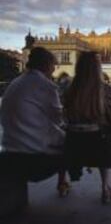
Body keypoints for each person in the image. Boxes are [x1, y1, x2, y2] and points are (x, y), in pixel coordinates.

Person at [0, 47, 69, 195]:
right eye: (53, 65)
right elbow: (59, 120)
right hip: (35, 158)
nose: (53, 69)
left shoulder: (15, 83)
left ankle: (63, 183)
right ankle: (62, 182)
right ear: (46, 65)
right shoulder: (46, 86)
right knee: (72, 143)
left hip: (9, 150)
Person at [63, 51, 111, 204]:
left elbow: (64, 118)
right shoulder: (105, 90)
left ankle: (62, 181)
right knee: (110, 136)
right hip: (98, 148)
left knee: (94, 136)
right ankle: (105, 186)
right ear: (98, 68)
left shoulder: (69, 90)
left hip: (73, 146)